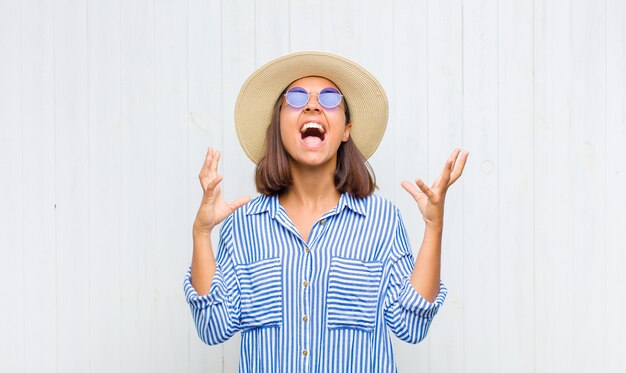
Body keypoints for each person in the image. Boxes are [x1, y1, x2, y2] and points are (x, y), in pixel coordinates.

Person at [183, 51, 469, 372]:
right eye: (296, 97)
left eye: (331, 98)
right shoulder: (243, 226)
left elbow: (410, 326)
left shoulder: (381, 220)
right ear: (277, 125)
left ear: (346, 129)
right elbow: (212, 327)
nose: (313, 105)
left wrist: (434, 227)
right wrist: (202, 233)